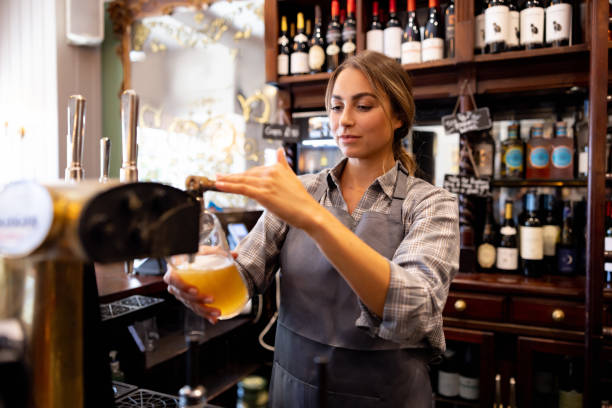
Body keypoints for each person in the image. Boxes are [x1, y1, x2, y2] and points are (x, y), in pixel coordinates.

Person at [164, 50, 459, 407]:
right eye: (336, 107)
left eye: (363, 106)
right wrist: (208, 280)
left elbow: (416, 310)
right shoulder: (301, 191)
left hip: (387, 397)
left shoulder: (430, 204)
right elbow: (245, 275)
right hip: (295, 393)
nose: (344, 121)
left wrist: (315, 219)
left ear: (398, 116)